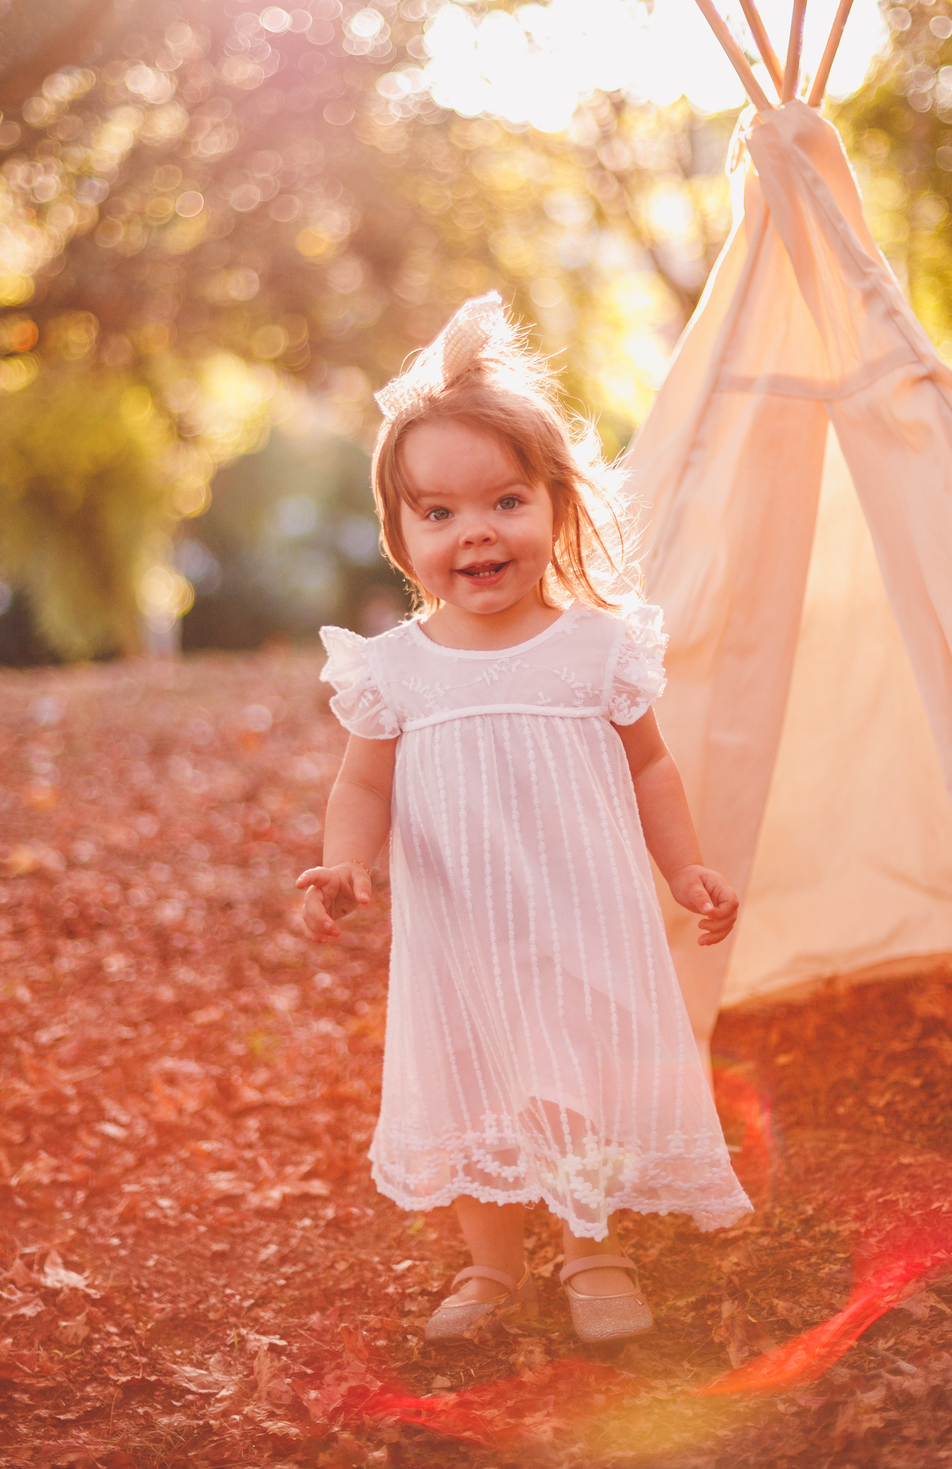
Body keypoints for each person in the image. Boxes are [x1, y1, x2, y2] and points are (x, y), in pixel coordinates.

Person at [297, 293, 752, 1344]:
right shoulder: (398, 670)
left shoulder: (596, 649)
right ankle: (491, 1264)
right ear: (401, 532)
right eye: (438, 513)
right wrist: (345, 865)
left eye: (503, 501)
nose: (475, 534)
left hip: (583, 920)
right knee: (471, 1074)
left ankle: (596, 1246)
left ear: (554, 502)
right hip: (462, 933)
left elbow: (651, 771)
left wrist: (685, 872)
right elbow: (362, 785)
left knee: (582, 1072)